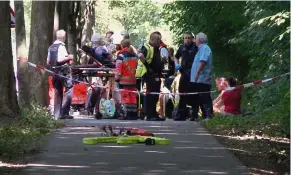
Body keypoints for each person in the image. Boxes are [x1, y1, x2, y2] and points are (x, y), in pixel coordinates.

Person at [136, 32, 165, 121]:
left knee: (155, 94)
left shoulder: (156, 48)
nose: (160, 41)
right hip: (148, 75)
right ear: (152, 39)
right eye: (158, 39)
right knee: (151, 95)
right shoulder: (147, 47)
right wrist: (148, 67)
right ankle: (150, 114)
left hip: (155, 74)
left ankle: (153, 113)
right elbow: (140, 55)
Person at [47, 29, 74, 120]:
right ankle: (65, 112)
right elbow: (59, 59)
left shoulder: (51, 47)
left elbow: (48, 61)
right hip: (63, 72)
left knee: (58, 92)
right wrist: (69, 57)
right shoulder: (61, 46)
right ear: (64, 37)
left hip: (54, 72)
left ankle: (57, 114)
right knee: (69, 90)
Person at [173, 32, 198, 121]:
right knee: (182, 93)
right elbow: (175, 57)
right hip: (184, 73)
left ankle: (194, 114)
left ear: (193, 39)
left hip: (194, 72)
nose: (187, 40)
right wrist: (177, 64)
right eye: (185, 38)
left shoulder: (196, 47)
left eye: (189, 38)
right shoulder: (182, 47)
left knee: (193, 94)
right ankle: (181, 114)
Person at [190, 32, 213, 121]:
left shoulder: (204, 48)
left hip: (202, 78)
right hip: (199, 79)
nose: (194, 40)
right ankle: (204, 115)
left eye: (195, 38)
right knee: (200, 97)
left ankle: (209, 115)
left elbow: (203, 61)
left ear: (199, 40)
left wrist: (197, 73)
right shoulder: (201, 49)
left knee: (205, 96)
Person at [115, 39, 138, 120]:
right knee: (133, 96)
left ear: (122, 46)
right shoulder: (135, 55)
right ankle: (133, 114)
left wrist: (117, 77)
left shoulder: (121, 55)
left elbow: (118, 68)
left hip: (124, 80)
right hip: (133, 80)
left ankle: (126, 114)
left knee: (125, 96)